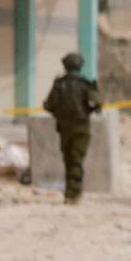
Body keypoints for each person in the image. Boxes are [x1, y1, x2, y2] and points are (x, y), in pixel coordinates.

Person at [42, 52, 100, 204]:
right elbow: (98, 104)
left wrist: (58, 113)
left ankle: (70, 192)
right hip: (81, 127)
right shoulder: (85, 84)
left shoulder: (59, 84)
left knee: (69, 160)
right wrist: (89, 110)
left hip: (64, 128)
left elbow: (48, 105)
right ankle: (73, 194)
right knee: (76, 160)